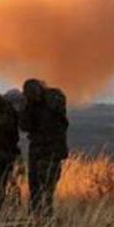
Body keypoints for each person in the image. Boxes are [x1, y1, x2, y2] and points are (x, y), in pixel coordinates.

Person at [19, 79, 69, 218]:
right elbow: (24, 126)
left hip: (51, 150)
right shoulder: (30, 106)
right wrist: (27, 107)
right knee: (34, 186)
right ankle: (35, 215)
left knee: (47, 187)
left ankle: (46, 216)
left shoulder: (53, 98)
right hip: (37, 150)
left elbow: (58, 119)